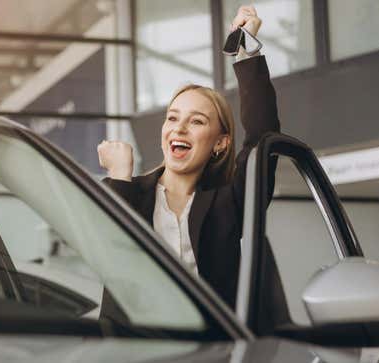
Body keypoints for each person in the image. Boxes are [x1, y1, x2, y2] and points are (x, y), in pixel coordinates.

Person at [97, 6, 281, 312]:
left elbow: (264, 135)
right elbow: (110, 259)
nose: (179, 128)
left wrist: (246, 50)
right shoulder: (128, 191)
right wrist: (119, 175)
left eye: (196, 121)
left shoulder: (231, 201)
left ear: (220, 144)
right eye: (172, 118)